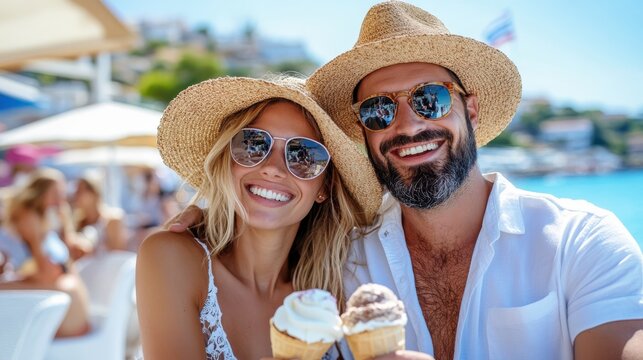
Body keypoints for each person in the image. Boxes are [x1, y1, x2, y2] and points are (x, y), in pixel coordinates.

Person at [171, 2, 643, 359]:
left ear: (470, 110)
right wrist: (210, 215)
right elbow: (268, 222)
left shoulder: (581, 241)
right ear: (362, 132)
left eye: (430, 99)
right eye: (378, 110)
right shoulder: (340, 260)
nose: (408, 125)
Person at [136, 76, 381, 359]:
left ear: (324, 188)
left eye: (304, 155)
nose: (273, 168)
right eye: (253, 144)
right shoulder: (171, 257)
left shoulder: (341, 289)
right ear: (227, 161)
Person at [0, 169, 91, 337]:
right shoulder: (31, 222)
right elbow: (42, 273)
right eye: (56, 194)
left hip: (67, 315)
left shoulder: (44, 225)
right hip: (65, 312)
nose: (61, 201)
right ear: (39, 194)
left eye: (62, 194)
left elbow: (48, 273)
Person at [71, 171, 128, 256]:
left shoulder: (113, 219)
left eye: (80, 190)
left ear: (94, 193)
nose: (76, 195)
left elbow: (118, 255)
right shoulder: (77, 222)